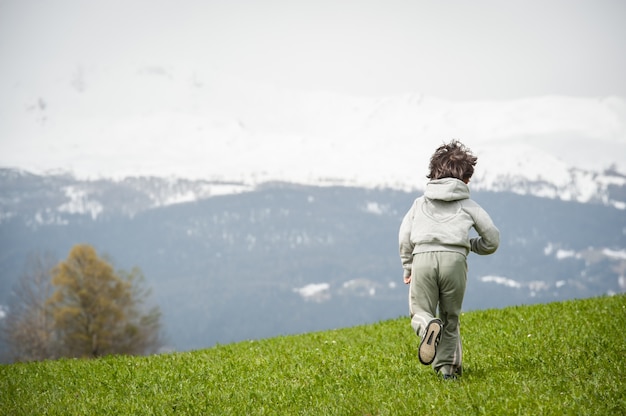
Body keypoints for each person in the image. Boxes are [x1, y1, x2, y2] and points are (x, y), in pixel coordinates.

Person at [398, 139, 500, 380]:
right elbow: (492, 239)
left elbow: (404, 236)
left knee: (420, 310)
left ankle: (426, 328)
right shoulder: (469, 205)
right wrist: (471, 245)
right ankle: (448, 370)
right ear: (465, 179)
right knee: (450, 318)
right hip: (454, 260)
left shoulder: (418, 204)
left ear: (433, 174)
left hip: (422, 256)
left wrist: (407, 265)